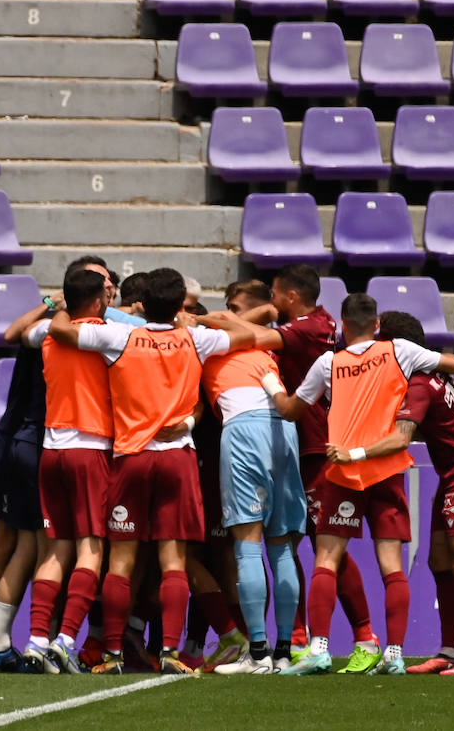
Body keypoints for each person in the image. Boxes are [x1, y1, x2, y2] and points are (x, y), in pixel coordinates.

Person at [47, 267, 255, 674]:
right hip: (177, 457)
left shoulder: (121, 336)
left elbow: (64, 332)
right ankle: (171, 653)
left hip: (130, 456)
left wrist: (55, 306)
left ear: (142, 303)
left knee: (121, 561)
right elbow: (247, 333)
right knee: (173, 559)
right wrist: (200, 320)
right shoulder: (196, 338)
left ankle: (111, 654)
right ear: (179, 305)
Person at [266, 293, 454, 675]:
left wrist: (270, 381)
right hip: (387, 470)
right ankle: (394, 655)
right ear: (376, 325)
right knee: (391, 565)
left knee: (326, 558)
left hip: (343, 471)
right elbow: (453, 363)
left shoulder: (329, 362)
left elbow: (290, 410)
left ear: (341, 325)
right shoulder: (399, 350)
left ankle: (320, 649)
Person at [335, 313, 454, 676]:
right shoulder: (434, 376)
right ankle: (450, 651)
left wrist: (355, 453)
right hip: (453, 474)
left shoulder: (420, 384)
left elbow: (401, 437)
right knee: (439, 564)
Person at [242, 264, 381, 672]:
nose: (271, 303)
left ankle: (363, 637)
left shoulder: (303, 327)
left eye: (275, 296)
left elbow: (242, 335)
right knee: (305, 543)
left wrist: (215, 319)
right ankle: (305, 636)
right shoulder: (320, 323)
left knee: (327, 544)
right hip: (301, 447)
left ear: (289, 296)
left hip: (318, 446)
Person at [197, 283, 306, 674]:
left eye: (233, 307)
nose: (226, 312)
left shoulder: (208, 337)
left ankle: (257, 654)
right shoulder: (264, 347)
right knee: (280, 547)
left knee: (246, 545)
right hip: (283, 430)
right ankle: (282, 651)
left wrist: (195, 317)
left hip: (244, 428)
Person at [17, 267, 115, 674]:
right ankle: (65, 639)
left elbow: (20, 333)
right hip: (90, 448)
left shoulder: (46, 334)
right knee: (91, 548)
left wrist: (53, 306)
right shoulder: (109, 336)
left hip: (51, 449)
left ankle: (37, 639)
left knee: (56, 549)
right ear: (96, 302)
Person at [0, 292, 58, 673]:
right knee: (13, 540)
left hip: (28, 441)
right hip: (17, 439)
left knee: (27, 541)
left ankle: (3, 637)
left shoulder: (69, 328)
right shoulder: (46, 327)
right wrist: (46, 301)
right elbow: (12, 333)